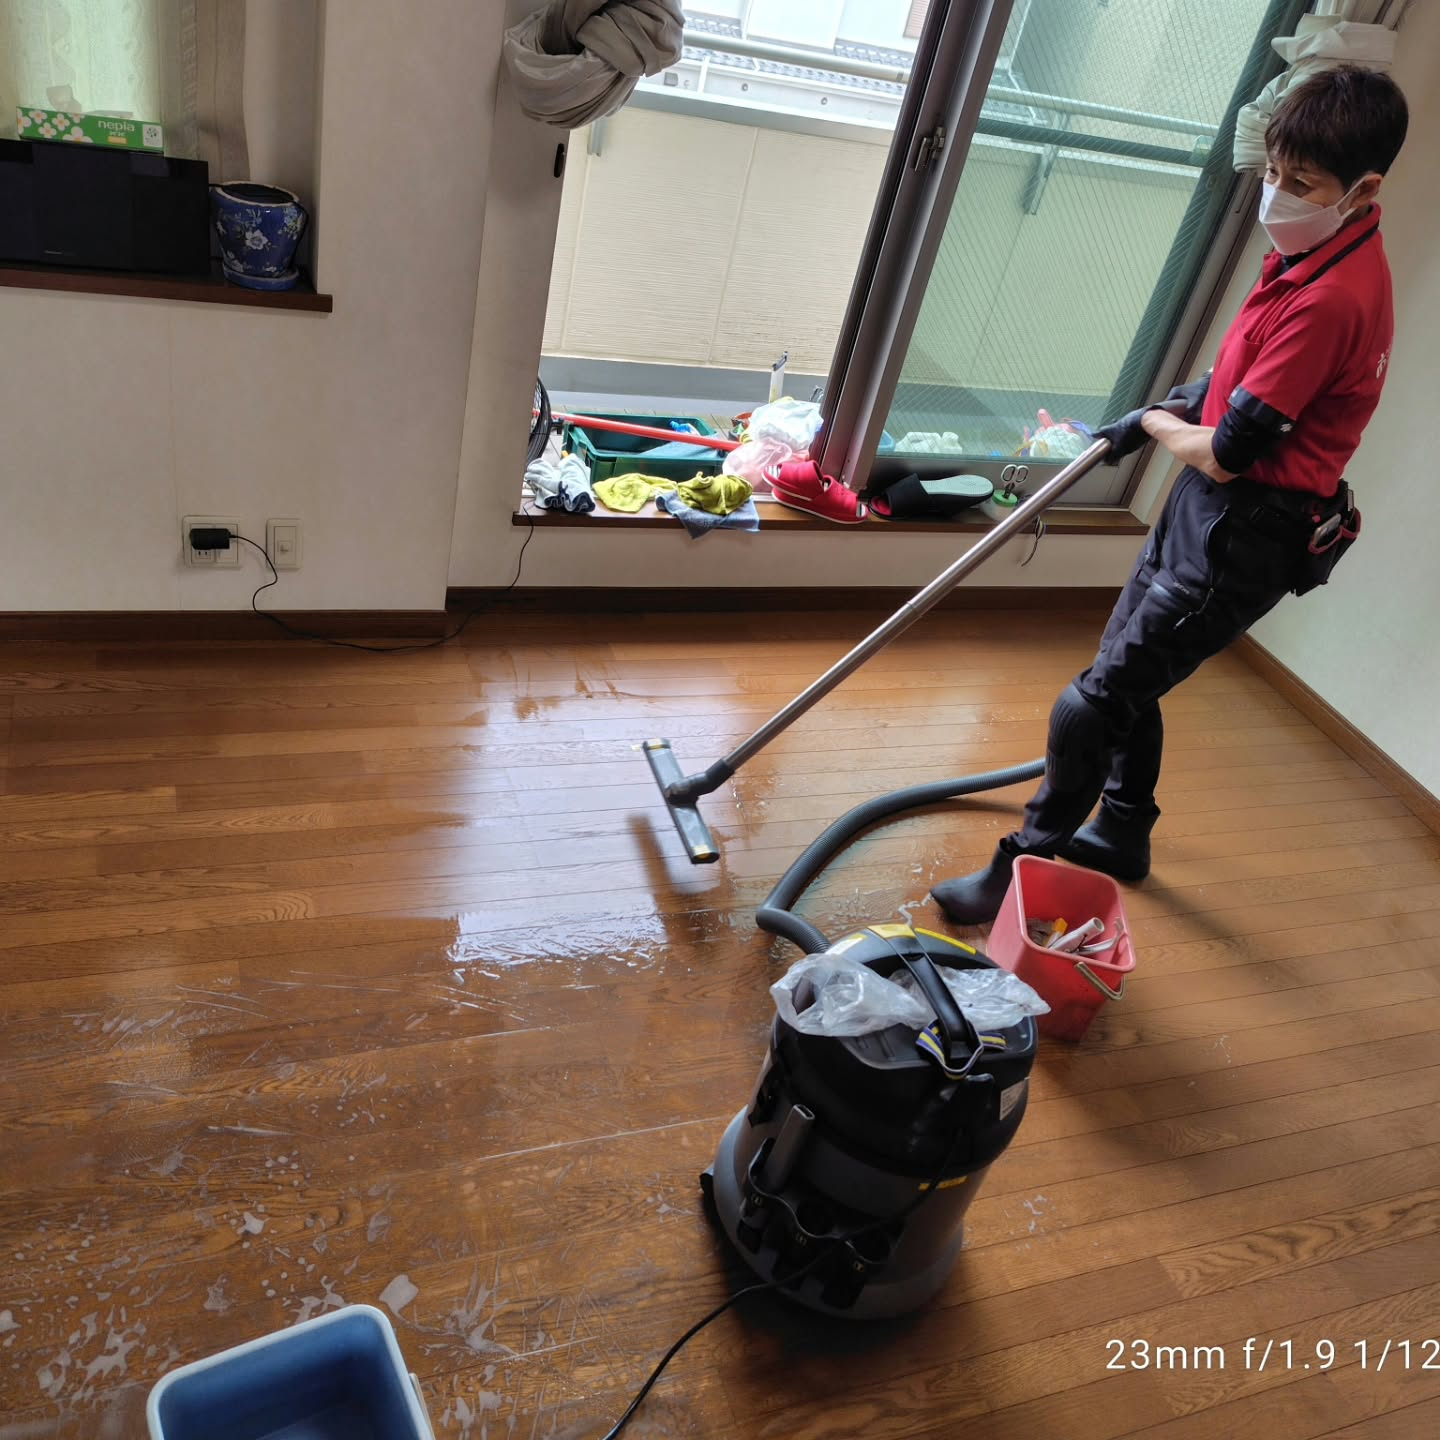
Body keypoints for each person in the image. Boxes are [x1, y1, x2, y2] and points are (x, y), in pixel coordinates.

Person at [932, 64, 1410, 925]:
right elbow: (1234, 382)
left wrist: (1156, 425)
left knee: (1094, 700)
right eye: (1272, 173)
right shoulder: (1307, 259)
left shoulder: (1335, 298)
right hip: (1207, 511)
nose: (1276, 195)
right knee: (1127, 676)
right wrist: (1146, 415)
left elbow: (1228, 453)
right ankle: (1119, 832)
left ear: (1363, 188)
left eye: (1301, 183)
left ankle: (1019, 873)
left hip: (1246, 531)